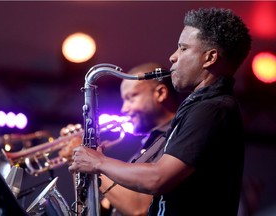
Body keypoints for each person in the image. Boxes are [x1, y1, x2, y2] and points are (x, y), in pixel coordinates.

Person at [69, 7, 252, 215]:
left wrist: (98, 162)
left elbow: (158, 179)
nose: (173, 57)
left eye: (183, 48)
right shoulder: (200, 107)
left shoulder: (214, 108)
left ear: (210, 58)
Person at [59, 62, 180, 215]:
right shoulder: (146, 148)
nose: (124, 109)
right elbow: (99, 210)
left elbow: (138, 209)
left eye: (131, 98)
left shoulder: (175, 136)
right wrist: (78, 162)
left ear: (161, 93)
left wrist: (92, 162)